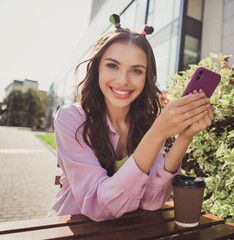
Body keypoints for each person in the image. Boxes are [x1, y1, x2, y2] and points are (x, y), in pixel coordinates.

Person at [48, 14, 214, 222]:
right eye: (112, 66)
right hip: (70, 229)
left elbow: (151, 201)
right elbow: (98, 207)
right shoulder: (71, 118)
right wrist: (156, 135)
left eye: (136, 70)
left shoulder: (147, 121)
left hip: (130, 230)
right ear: (97, 68)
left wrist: (184, 137)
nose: (123, 80)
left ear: (147, 77)